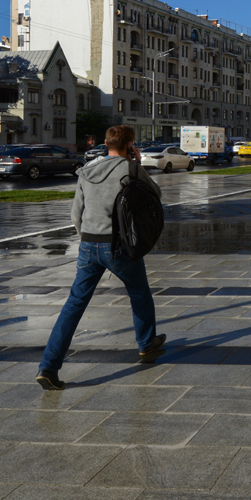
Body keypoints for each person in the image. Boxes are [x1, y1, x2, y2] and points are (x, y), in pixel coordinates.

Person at [35, 124, 165, 390]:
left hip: (88, 244)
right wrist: (138, 164)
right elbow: (155, 196)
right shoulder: (131, 169)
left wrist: (87, 238)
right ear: (129, 145)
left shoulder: (87, 170)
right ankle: (146, 343)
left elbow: (75, 214)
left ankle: (48, 366)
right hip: (118, 246)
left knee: (74, 304)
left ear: (106, 144)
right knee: (139, 292)